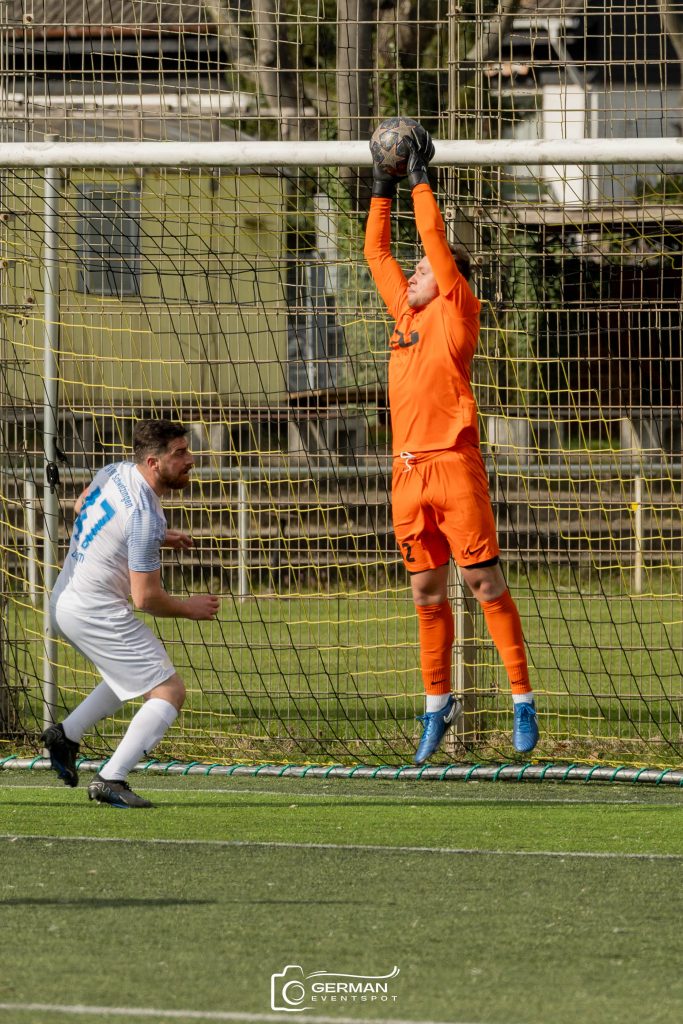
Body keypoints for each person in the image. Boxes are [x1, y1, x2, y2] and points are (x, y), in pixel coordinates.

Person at [364, 126, 538, 764]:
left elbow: (434, 243)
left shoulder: (458, 308)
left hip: (454, 465)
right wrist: (382, 184)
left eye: (422, 272)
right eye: (412, 272)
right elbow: (376, 251)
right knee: (425, 595)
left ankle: (522, 698)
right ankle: (437, 706)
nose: (412, 275)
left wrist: (418, 180)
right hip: (406, 474)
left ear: (447, 280)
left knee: (484, 583)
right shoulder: (405, 315)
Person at [41, 418, 220, 807]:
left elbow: (82, 505)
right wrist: (189, 608)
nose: (190, 460)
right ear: (154, 463)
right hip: (96, 612)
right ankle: (112, 778)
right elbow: (146, 598)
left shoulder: (115, 471)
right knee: (169, 690)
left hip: (64, 602)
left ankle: (66, 735)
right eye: (180, 453)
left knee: (128, 675)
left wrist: (153, 537)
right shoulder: (145, 515)